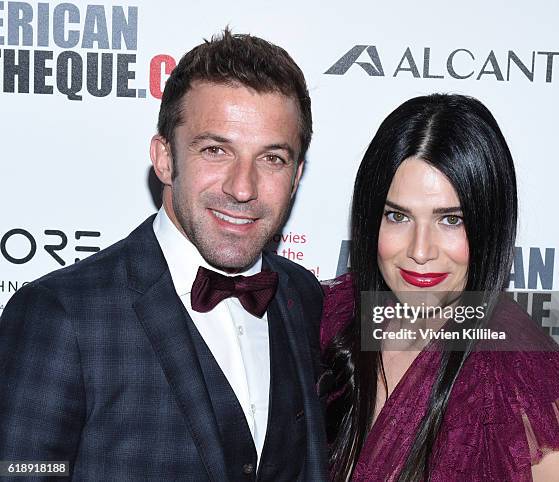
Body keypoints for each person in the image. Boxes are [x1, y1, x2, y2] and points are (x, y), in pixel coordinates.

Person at [0, 30, 328, 481]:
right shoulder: (61, 315)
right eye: (216, 150)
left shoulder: (304, 296)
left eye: (272, 158)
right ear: (165, 158)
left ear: (296, 176)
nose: (243, 188)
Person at [320, 94, 559, 481]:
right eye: (398, 216)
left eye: (451, 220)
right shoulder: (327, 318)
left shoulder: (513, 372)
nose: (420, 251)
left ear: (490, 226)